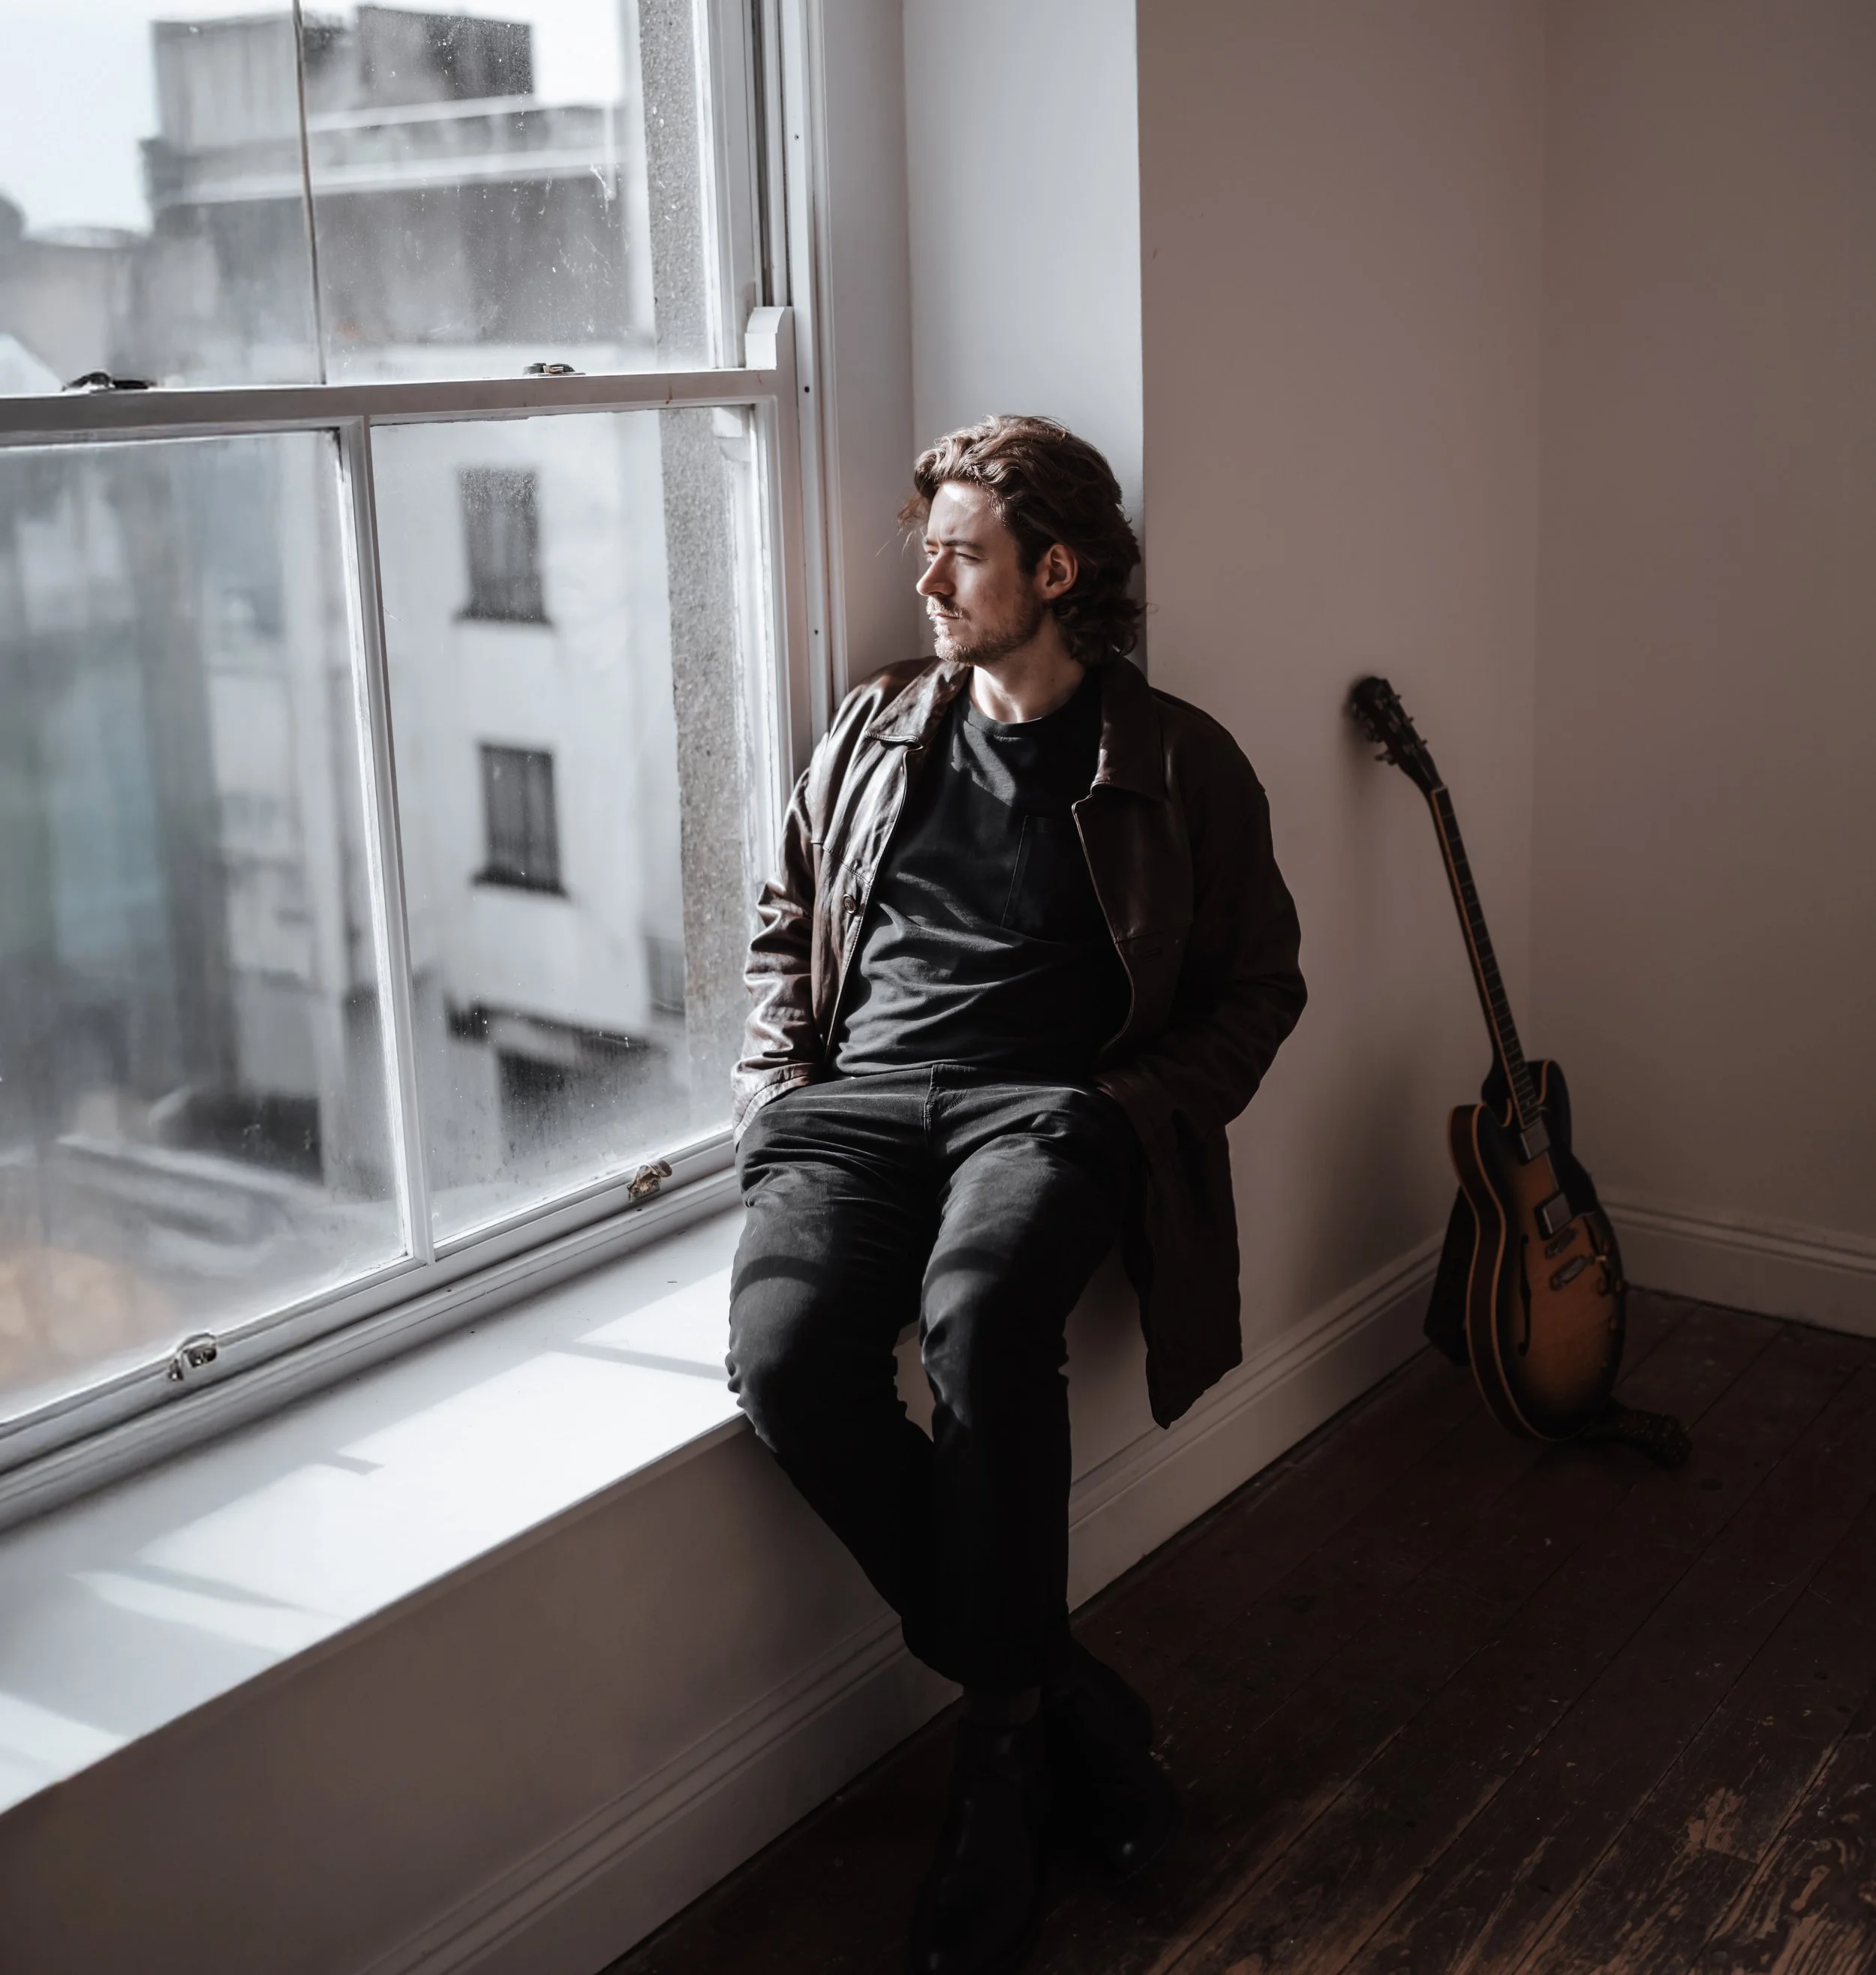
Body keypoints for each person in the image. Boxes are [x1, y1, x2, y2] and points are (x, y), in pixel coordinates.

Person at [726, 415, 1305, 1974]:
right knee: (782, 1362)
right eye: (929, 545)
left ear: (1053, 569)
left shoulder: (1178, 759)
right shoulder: (867, 732)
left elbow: (1259, 987)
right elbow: (782, 921)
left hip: (1041, 1113)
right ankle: (1053, 1695)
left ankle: (993, 1763)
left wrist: (1119, 1107)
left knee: (980, 1319)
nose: (922, 575)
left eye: (959, 549)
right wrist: (779, 1095)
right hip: (850, 1112)